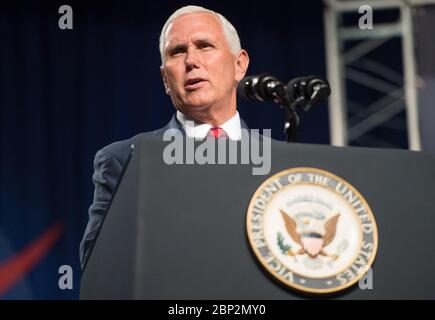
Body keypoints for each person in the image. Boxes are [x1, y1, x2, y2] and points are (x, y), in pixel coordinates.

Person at [79, 5, 250, 268]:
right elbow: (97, 266)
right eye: (177, 52)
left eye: (204, 45)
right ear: (165, 79)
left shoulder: (279, 158)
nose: (191, 61)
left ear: (239, 65)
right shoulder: (124, 160)